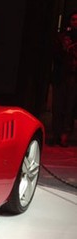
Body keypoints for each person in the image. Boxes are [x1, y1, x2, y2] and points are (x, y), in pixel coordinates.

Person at [50, 10, 77, 147]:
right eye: (73, 19)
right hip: (61, 74)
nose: (75, 22)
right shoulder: (62, 37)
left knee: (69, 106)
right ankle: (56, 133)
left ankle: (64, 134)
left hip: (73, 75)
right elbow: (55, 55)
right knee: (58, 105)